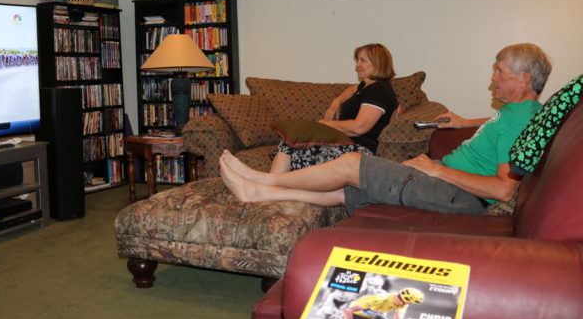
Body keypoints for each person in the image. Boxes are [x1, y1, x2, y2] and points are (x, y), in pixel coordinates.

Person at [219, 43, 552, 215]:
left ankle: (263, 178)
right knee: (346, 192)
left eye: (500, 71)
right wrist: (467, 122)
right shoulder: (519, 113)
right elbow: (500, 127)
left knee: (351, 165)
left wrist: (438, 171)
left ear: (524, 79)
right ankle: (260, 193)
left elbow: (504, 191)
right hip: (451, 190)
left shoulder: (519, 119)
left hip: (457, 196)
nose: (493, 77)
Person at [271, 43, 398, 173]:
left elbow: (359, 128)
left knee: (293, 147)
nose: (357, 65)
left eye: (363, 60)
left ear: (378, 62)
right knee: (291, 144)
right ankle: (271, 187)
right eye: (358, 60)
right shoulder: (365, 87)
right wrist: (335, 103)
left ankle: (270, 186)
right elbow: (351, 89)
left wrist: (327, 124)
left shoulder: (379, 90)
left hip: (361, 151)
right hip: (345, 145)